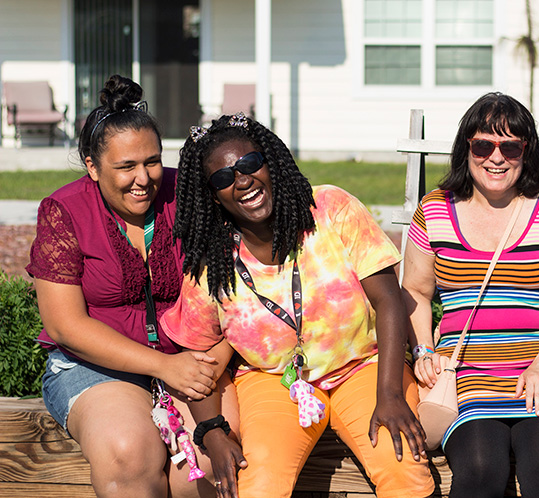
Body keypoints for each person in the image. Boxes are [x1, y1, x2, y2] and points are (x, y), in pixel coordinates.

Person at [159, 112, 435, 498]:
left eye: (250, 164)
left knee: (405, 468)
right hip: (274, 381)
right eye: (223, 178)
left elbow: (388, 299)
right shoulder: (212, 262)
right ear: (212, 194)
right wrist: (212, 431)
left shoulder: (330, 208)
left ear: (270, 161)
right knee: (260, 485)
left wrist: (389, 394)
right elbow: (199, 359)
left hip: (363, 368)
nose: (242, 181)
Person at [27, 74, 238, 498]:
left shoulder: (190, 194)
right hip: (97, 367)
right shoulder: (64, 212)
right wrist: (162, 367)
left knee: (211, 462)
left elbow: (239, 288)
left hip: (195, 354)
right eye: (125, 167)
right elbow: (66, 326)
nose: (143, 178)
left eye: (152, 161)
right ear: (92, 166)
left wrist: (210, 360)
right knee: (129, 452)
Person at [401, 92, 539, 498]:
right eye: (483, 145)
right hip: (466, 372)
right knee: (477, 470)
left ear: (526, 152)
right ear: (466, 149)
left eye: (510, 146)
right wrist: (422, 351)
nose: (496, 157)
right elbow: (416, 291)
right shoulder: (434, 211)